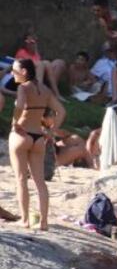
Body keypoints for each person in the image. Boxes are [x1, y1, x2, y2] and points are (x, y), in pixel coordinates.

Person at [8, 58, 64, 230]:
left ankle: (25, 220)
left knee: (20, 179)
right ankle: (44, 222)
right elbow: (61, 111)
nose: (12, 73)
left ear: (24, 72)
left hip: (22, 134)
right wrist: (51, 131)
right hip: (39, 137)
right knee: (40, 182)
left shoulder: (23, 88)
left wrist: (15, 123)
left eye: (14, 70)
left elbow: (20, 105)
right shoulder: (45, 89)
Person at [14, 31, 66, 96]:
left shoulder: (35, 54)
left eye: (34, 41)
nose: (32, 43)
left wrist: (36, 51)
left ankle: (53, 92)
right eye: (29, 41)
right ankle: (51, 94)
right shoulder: (21, 52)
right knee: (46, 63)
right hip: (31, 78)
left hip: (41, 77)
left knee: (59, 62)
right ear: (25, 43)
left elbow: (40, 65)